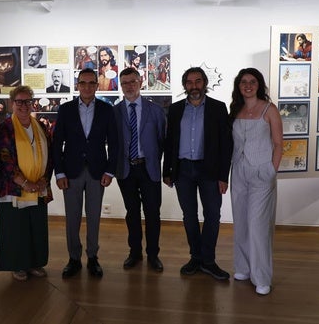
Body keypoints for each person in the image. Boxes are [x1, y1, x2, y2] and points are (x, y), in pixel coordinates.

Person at [163, 67, 233, 281]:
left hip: (209, 170)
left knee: (213, 215)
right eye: (190, 82)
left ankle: (209, 261)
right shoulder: (175, 110)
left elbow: (226, 145)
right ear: (185, 85)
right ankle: (195, 257)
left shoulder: (218, 108)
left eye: (198, 81)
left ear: (204, 83)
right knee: (189, 216)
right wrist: (167, 171)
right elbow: (169, 142)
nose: (194, 86)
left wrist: (223, 176)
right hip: (183, 170)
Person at [53, 68, 119, 278]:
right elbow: (57, 144)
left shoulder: (107, 110)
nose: (87, 87)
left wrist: (110, 170)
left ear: (97, 86)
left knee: (94, 217)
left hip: (97, 172)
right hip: (71, 172)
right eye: (83, 83)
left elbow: (115, 144)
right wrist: (59, 173)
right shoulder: (65, 109)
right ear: (77, 85)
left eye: (92, 83)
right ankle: (73, 258)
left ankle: (92, 257)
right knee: (72, 218)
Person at [229, 68, 283, 296]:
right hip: (239, 171)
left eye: (252, 82)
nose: (248, 85)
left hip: (262, 172)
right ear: (238, 86)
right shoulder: (235, 110)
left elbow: (279, 143)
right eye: (244, 82)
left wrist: (272, 169)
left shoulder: (269, 110)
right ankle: (243, 267)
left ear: (259, 84)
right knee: (241, 220)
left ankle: (261, 276)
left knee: (258, 225)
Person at [0, 86, 54, 281]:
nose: (24, 105)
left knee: (36, 227)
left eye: (27, 101)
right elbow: (4, 158)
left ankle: (35, 263)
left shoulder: (40, 126)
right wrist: (25, 183)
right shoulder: (6, 127)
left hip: (39, 187)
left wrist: (44, 178)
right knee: (16, 229)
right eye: (19, 102)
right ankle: (18, 265)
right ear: (12, 104)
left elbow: (50, 155)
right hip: (15, 189)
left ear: (32, 103)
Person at [114, 68, 166, 272]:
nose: (129, 86)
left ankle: (153, 254)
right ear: (120, 85)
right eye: (125, 82)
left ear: (141, 82)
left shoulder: (155, 110)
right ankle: (134, 253)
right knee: (132, 213)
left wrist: (157, 161)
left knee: (153, 213)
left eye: (133, 81)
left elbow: (162, 140)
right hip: (126, 170)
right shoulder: (115, 112)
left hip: (149, 168)